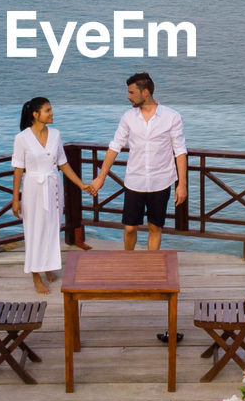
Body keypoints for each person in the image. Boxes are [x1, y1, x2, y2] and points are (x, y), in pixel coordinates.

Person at [86, 73, 187, 342]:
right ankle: (129, 265)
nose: (127, 96)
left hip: (161, 181)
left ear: (145, 92)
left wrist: (182, 185)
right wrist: (101, 176)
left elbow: (180, 151)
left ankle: (151, 269)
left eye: (131, 92)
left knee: (155, 226)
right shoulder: (128, 118)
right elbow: (114, 147)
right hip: (134, 181)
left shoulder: (171, 117)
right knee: (130, 226)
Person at [12, 96, 89, 295]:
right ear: (35, 115)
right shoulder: (22, 138)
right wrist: (15, 199)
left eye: (51, 109)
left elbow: (63, 164)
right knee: (34, 230)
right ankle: (36, 275)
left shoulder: (55, 134)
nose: (52, 113)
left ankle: (48, 266)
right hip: (33, 190)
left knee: (52, 228)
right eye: (47, 110)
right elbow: (19, 170)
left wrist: (81, 185)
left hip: (53, 187)